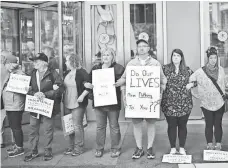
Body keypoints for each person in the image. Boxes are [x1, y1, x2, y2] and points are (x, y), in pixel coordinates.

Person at [115, 39, 167, 159]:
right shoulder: (131, 64)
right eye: (139, 46)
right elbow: (124, 80)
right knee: (137, 124)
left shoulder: (155, 64)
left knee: (151, 124)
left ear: (149, 48)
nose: (142, 48)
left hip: (150, 101)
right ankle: (139, 148)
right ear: (137, 49)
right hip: (135, 100)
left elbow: (163, 79)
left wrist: (160, 94)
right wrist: (124, 95)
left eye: (144, 46)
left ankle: (149, 148)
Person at [24, 53, 64, 162]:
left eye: (36, 61)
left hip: (47, 106)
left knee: (48, 129)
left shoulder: (53, 73)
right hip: (35, 106)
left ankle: (47, 150)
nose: (34, 63)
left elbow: (60, 89)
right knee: (32, 129)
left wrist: (45, 94)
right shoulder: (32, 73)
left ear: (44, 62)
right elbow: (27, 88)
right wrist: (34, 93)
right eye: (34, 61)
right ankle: (33, 150)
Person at [85, 48, 125, 158]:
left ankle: (115, 148)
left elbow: (126, 79)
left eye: (108, 55)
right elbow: (88, 81)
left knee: (114, 126)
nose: (106, 57)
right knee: (100, 127)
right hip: (99, 102)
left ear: (113, 56)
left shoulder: (119, 68)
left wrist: (122, 81)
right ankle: (99, 148)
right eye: (104, 55)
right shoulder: (96, 68)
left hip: (113, 103)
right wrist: (87, 85)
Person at [189, 46, 226, 151]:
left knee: (218, 124)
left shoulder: (222, 70)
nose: (213, 60)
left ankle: (218, 144)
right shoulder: (200, 71)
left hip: (219, 102)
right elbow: (191, 80)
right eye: (211, 58)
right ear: (207, 59)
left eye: (215, 58)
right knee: (209, 124)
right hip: (206, 103)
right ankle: (209, 144)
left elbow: (224, 84)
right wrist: (194, 89)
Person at [161, 49, 197, 155]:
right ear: (171, 57)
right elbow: (157, 78)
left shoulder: (187, 70)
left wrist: (192, 84)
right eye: (173, 55)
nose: (175, 57)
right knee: (171, 125)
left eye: (178, 55)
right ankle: (172, 148)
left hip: (184, 103)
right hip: (169, 103)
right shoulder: (165, 69)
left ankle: (181, 147)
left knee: (182, 125)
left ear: (181, 58)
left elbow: (198, 79)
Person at [63, 54, 91, 156]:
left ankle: (79, 147)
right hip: (67, 102)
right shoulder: (67, 72)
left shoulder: (82, 72)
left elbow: (89, 86)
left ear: (72, 61)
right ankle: (71, 146)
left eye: (67, 61)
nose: (65, 63)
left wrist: (82, 96)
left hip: (78, 103)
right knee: (69, 126)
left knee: (77, 125)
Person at [2, 53, 26, 157]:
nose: (4, 66)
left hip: (15, 105)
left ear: (10, 64)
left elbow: (22, 89)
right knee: (13, 126)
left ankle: (20, 148)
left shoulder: (19, 74)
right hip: (10, 104)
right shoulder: (10, 73)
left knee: (16, 127)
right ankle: (17, 145)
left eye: (6, 64)